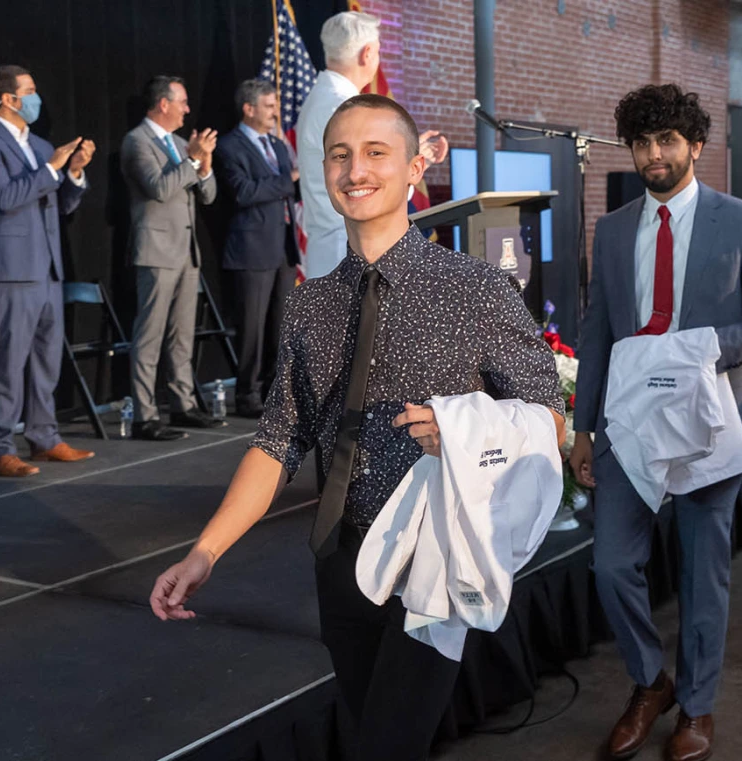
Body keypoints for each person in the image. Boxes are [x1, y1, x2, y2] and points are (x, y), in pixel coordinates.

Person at [148, 94, 564, 760]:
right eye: (339, 153)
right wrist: (205, 552)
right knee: (374, 723)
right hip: (340, 561)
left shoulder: (476, 287)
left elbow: (550, 416)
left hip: (434, 559)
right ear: (321, 170)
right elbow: (280, 440)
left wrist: (464, 429)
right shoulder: (310, 302)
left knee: (386, 745)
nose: (355, 168)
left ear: (412, 169)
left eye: (376, 152)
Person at [570, 84, 742, 761]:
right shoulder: (611, 229)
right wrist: (582, 427)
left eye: (667, 140)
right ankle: (651, 681)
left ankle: (698, 705)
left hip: (711, 419)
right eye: (642, 142)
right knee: (612, 565)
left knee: (705, 573)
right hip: (627, 423)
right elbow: (595, 331)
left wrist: (701, 349)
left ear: (696, 145)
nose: (654, 154)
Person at [0, 64, 96, 476]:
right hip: (10, 269)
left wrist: (73, 171)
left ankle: (44, 438)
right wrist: (51, 170)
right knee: (10, 359)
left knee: (47, 357)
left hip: (47, 267)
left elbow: (60, 204)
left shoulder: (41, 145)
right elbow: (4, 197)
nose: (35, 98)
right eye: (29, 91)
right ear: (8, 99)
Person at [298, 10, 448, 280]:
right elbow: (366, 180)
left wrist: (408, 157)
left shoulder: (323, 98)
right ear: (368, 53)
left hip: (337, 246)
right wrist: (408, 168)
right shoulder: (343, 108)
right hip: (349, 250)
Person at [121, 76, 221, 441]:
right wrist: (192, 159)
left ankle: (184, 404)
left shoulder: (181, 143)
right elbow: (159, 189)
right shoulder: (137, 142)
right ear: (163, 104)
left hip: (187, 252)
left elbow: (207, 194)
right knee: (150, 334)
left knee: (182, 335)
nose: (187, 108)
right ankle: (144, 415)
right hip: (156, 250)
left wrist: (204, 164)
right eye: (182, 101)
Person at [215, 79, 300, 418]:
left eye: (275, 105)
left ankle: (274, 392)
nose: (274, 111)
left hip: (283, 248)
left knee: (281, 326)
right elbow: (243, 193)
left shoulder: (278, 146)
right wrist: (289, 179)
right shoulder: (229, 147)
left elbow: (291, 192)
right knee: (251, 327)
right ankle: (247, 395)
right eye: (268, 105)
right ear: (248, 109)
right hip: (251, 250)